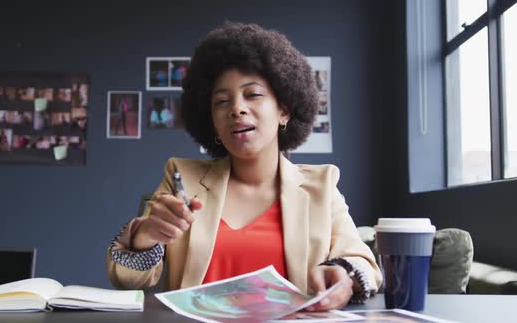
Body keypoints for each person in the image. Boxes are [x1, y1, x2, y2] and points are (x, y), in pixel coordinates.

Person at [107, 22, 382, 311]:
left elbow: (362, 262)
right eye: (222, 101)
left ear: (284, 111)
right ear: (212, 121)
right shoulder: (182, 179)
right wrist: (146, 236)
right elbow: (127, 280)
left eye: (253, 95)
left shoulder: (321, 185)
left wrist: (345, 278)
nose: (236, 108)